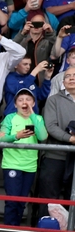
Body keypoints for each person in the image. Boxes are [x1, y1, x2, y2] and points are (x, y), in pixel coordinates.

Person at [0, 88, 48, 226]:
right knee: (12, 200)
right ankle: (9, 229)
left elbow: (43, 137)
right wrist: (16, 136)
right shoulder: (10, 118)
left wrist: (32, 115)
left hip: (30, 166)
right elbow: (1, 140)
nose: (24, 102)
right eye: (20, 100)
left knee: (21, 201)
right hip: (11, 164)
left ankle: (17, 230)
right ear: (15, 105)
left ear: (33, 103)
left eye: (28, 99)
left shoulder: (38, 118)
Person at [40, 66, 75, 221]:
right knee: (49, 197)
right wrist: (70, 139)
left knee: (71, 198)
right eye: (68, 76)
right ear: (63, 81)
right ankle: (46, 231)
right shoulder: (53, 100)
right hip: (55, 155)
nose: (71, 78)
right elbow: (51, 126)